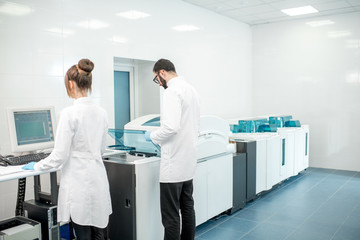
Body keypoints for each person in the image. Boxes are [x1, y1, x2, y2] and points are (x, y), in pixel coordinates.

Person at [23, 59, 112, 240]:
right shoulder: (102, 112)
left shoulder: (69, 114)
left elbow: (59, 156)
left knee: (82, 233)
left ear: (71, 84)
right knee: (99, 233)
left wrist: (37, 166)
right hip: (98, 178)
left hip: (79, 183)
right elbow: (102, 149)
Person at [145, 59, 200, 240]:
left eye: (156, 79)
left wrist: (152, 136)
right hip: (188, 162)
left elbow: (171, 127)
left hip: (173, 165)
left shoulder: (171, 91)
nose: (158, 83)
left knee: (170, 217)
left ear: (162, 72)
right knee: (187, 208)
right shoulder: (191, 90)